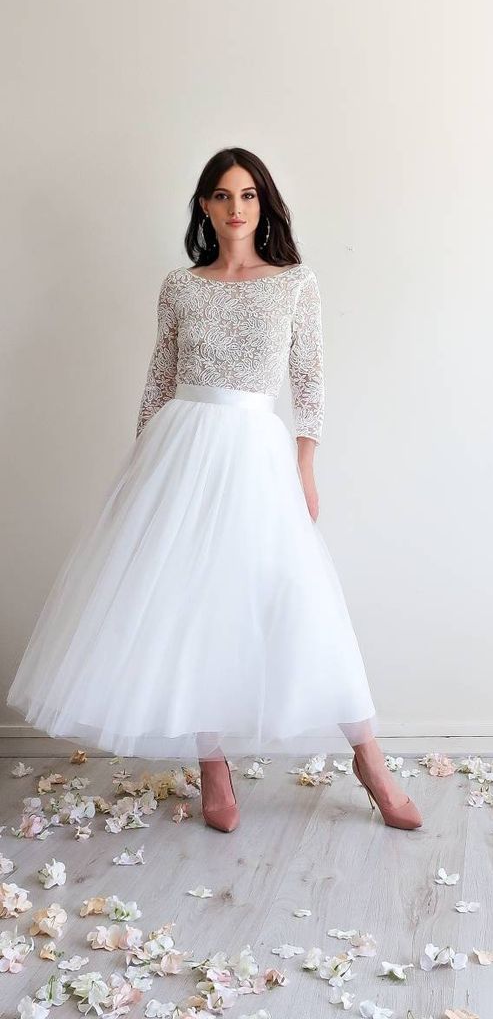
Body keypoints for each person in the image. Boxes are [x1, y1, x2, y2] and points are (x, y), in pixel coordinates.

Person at [7, 146, 422, 834]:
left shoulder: (294, 283)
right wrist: (143, 472)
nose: (236, 208)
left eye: (250, 195)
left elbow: (311, 384)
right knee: (191, 600)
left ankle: (370, 759)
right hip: (181, 449)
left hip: (257, 450)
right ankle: (212, 763)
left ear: (265, 204)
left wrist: (306, 464)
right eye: (224, 195)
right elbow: (158, 381)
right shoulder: (181, 285)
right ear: (205, 205)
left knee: (297, 596)